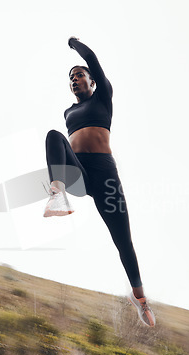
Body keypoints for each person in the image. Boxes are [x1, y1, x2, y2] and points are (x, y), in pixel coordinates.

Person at [43, 37, 155, 327]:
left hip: (105, 175)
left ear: (92, 82)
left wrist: (74, 43)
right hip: (80, 172)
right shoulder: (68, 113)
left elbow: (92, 58)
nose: (75, 79)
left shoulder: (103, 96)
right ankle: (57, 193)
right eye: (71, 77)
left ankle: (140, 298)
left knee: (123, 240)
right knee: (54, 136)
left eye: (79, 75)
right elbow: (62, 143)